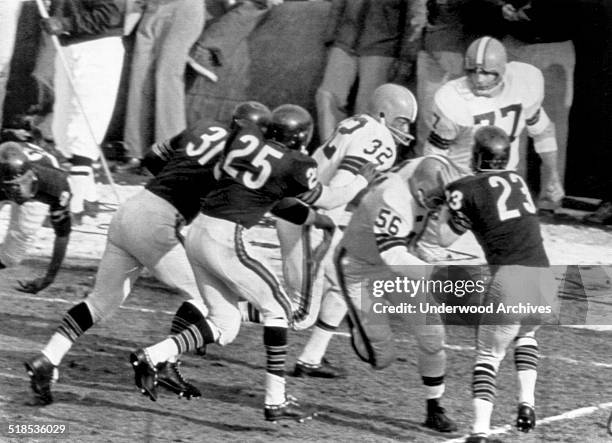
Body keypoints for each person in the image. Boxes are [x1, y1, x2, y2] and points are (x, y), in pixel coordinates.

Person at [129, 104, 375, 422]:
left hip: (198, 233)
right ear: (302, 136)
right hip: (226, 239)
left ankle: (151, 355)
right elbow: (327, 196)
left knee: (225, 323)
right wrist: (359, 182)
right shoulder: (296, 163)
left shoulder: (244, 140)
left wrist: (315, 219)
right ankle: (275, 400)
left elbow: (272, 197)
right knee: (281, 311)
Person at [22, 101, 274, 406]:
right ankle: (164, 362)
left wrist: (179, 180)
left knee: (101, 301)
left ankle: (48, 358)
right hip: (158, 223)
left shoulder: (204, 125)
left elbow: (152, 159)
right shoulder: (244, 157)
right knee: (211, 301)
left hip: (132, 208)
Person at [436, 126, 559, 443]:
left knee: (488, 357)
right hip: (544, 276)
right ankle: (527, 403)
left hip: (510, 278)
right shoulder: (518, 181)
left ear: (476, 155)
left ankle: (479, 430)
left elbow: (445, 237)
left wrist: (441, 209)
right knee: (527, 333)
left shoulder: (464, 187)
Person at [288, 83, 417, 373]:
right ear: (384, 114)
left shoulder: (355, 122)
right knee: (298, 312)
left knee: (350, 281)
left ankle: (311, 358)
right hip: (316, 217)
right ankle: (209, 319)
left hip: (306, 207)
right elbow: (340, 186)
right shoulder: (381, 140)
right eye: (402, 120)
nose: (405, 129)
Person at [331, 155, 465, 432]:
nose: (439, 208)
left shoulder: (429, 170)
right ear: (420, 192)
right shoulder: (393, 197)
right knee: (381, 358)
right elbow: (394, 256)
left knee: (433, 336)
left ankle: (434, 408)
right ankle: (356, 322)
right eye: (436, 202)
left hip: (400, 260)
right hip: (361, 268)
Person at [424, 36, 564, 203]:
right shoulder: (454, 97)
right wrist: (436, 190)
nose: (479, 79)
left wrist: (553, 175)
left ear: (501, 71)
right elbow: (435, 153)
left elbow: (543, 132)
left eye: (486, 72)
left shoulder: (522, 83)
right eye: (472, 71)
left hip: (503, 180)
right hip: (462, 181)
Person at [42, 0, 126, 221]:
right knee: (61, 128)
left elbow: (111, 15)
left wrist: (64, 22)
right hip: (70, 45)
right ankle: (89, 198)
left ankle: (74, 205)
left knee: (84, 123)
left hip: (97, 48)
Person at [315, 0, 419, 142]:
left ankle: (360, 155)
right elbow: (338, 4)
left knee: (370, 108)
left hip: (383, 46)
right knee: (326, 96)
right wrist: (330, 38)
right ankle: (330, 149)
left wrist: (406, 58)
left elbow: (414, 17)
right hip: (344, 42)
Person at [120, 0, 206, 170]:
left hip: (184, 8)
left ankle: (169, 156)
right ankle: (135, 152)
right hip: (151, 7)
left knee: (166, 76)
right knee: (139, 74)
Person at [0, 141, 72, 293]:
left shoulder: (54, 183)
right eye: (12, 185)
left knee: (10, 257)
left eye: (24, 181)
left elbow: (62, 235)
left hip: (39, 185)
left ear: (31, 173)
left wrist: (49, 277)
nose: (19, 190)